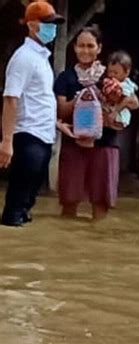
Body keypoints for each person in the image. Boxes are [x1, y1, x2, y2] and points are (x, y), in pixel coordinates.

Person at [54, 27, 139, 221]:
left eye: (90, 46)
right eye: (81, 46)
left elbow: (134, 101)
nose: (85, 50)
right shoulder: (65, 78)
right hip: (74, 143)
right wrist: (83, 97)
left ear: (99, 48)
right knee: (69, 200)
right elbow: (61, 110)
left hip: (104, 143)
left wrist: (114, 108)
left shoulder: (110, 75)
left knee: (101, 203)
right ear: (74, 48)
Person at [0, 0, 64, 226]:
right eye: (48, 24)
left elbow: (40, 99)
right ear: (32, 25)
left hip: (44, 134)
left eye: (54, 24)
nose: (52, 29)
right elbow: (10, 98)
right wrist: (7, 141)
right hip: (28, 134)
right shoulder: (24, 57)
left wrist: (57, 125)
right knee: (17, 201)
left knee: (29, 199)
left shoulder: (41, 58)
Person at [102, 50, 139, 130]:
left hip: (119, 114)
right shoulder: (107, 82)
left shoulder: (126, 85)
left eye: (115, 73)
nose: (112, 75)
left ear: (126, 73)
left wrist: (116, 111)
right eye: (110, 72)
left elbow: (128, 99)